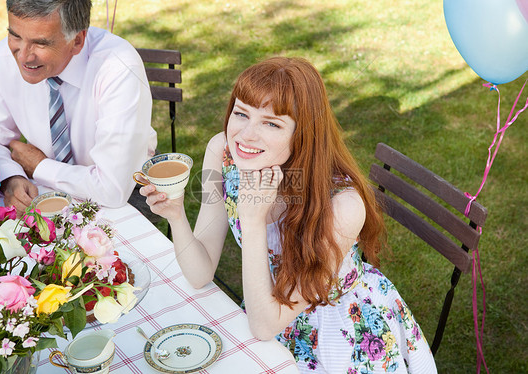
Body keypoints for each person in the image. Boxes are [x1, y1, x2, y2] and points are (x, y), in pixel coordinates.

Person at [140, 57, 437, 373]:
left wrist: (253, 221)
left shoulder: (343, 207)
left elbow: (266, 326)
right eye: (241, 113)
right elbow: (200, 273)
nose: (247, 135)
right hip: (264, 305)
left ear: (302, 134)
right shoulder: (222, 154)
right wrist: (175, 215)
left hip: (339, 331)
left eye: (271, 123)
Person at [0, 0, 156, 214]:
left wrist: (39, 166)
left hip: (129, 190)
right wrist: (11, 176)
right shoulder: (3, 58)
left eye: (40, 43)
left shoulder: (118, 67)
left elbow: (112, 189)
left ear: (77, 40)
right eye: (15, 36)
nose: (23, 56)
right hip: (44, 187)